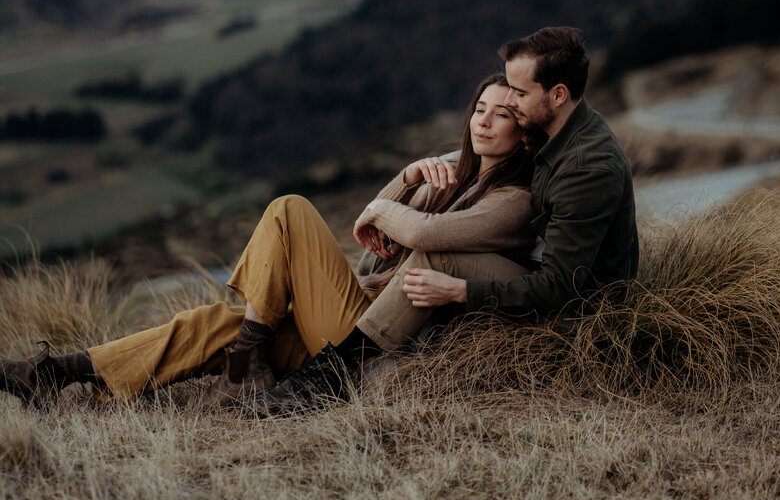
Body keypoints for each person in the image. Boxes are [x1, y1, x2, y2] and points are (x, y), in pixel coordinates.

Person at [0, 73, 538, 412]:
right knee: (212, 324)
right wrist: (407, 178)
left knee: (290, 209)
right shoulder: (447, 171)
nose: (484, 122)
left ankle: (250, 354)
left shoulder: (512, 200)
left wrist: (385, 203)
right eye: (479, 108)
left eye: (503, 115)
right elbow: (376, 242)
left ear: (525, 133)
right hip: (349, 312)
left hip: (378, 338)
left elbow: (414, 233)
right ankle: (53, 374)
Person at [401, 26, 638, 318]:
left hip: (578, 315)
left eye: (520, 92)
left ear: (558, 95)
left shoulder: (586, 169)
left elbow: (558, 288)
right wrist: (416, 171)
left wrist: (459, 291)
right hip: (533, 277)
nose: (510, 102)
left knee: (436, 258)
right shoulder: (555, 128)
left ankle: (353, 355)